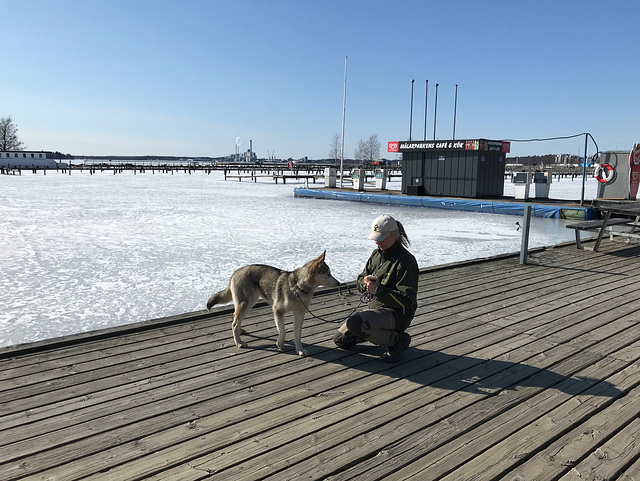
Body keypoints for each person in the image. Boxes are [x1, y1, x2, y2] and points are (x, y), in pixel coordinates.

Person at [334, 214, 419, 362]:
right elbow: (361, 278)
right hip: (376, 310)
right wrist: (365, 284)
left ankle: (397, 340)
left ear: (394, 236)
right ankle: (375, 331)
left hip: (398, 314)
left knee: (356, 324)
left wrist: (379, 291)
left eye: (381, 238)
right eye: (375, 238)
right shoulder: (377, 254)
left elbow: (407, 301)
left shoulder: (406, 261)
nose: (377, 242)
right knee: (340, 339)